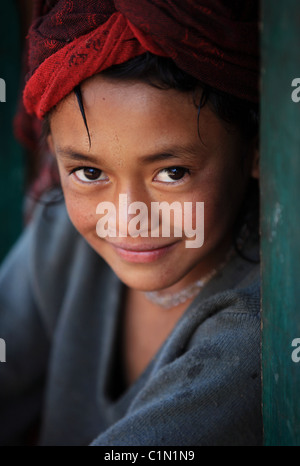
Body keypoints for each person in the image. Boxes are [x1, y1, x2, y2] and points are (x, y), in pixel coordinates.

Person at [0, 0, 262, 446]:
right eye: (89, 173)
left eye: (172, 173)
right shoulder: (60, 229)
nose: (127, 217)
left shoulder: (258, 331)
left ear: (254, 152)